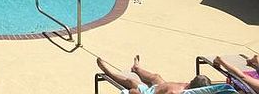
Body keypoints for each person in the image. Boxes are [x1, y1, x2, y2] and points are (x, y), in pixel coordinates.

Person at [97, 56, 227, 93]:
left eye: (192, 81)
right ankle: (136, 68)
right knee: (156, 77)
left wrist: (134, 92)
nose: (189, 81)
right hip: (161, 86)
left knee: (131, 83)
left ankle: (108, 72)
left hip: (150, 92)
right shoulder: (187, 87)